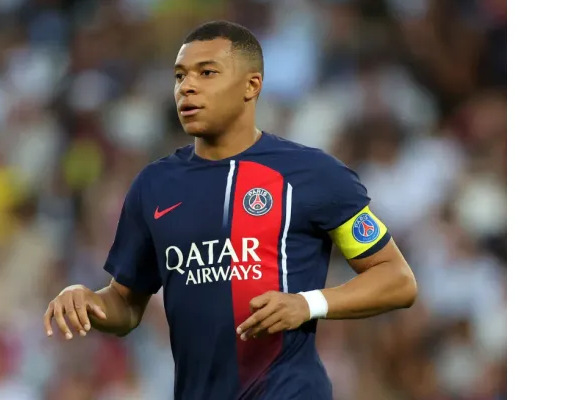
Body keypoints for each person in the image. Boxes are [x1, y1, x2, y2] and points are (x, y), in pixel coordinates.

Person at [43, 21, 417, 400]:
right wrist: (88, 302)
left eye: (207, 73)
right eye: (179, 76)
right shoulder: (153, 187)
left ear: (251, 86)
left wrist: (308, 303)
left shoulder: (312, 175)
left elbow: (397, 279)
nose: (187, 86)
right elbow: (126, 304)